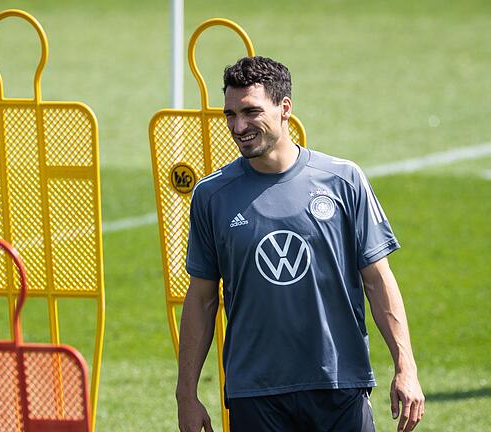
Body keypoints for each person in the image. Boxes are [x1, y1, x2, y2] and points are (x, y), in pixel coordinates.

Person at [176, 56, 425, 432]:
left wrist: (406, 367)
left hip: (339, 384)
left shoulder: (343, 181)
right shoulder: (211, 195)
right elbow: (201, 298)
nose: (238, 126)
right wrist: (186, 394)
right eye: (229, 114)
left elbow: (378, 280)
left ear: (285, 108)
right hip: (254, 392)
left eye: (250, 111)